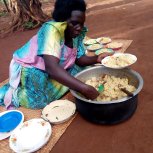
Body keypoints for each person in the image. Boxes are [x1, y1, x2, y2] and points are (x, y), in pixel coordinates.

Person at [0, 0, 112, 109]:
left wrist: (97, 58)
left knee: (85, 70)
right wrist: (84, 88)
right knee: (39, 101)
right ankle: (12, 92)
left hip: (56, 65)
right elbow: (52, 68)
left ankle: (60, 81)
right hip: (33, 67)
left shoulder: (75, 33)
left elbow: (79, 58)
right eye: (74, 23)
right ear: (61, 21)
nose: (79, 28)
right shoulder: (51, 30)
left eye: (81, 24)